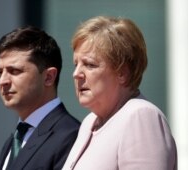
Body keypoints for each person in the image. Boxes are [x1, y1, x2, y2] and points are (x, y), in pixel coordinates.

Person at [62, 16, 177, 170]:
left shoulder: (141, 117)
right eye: (76, 64)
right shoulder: (89, 122)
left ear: (122, 73)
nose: (76, 74)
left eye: (89, 65)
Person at [0, 26, 80, 170]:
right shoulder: (13, 141)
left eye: (14, 71)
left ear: (49, 77)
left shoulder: (69, 136)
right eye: (0, 72)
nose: (3, 81)